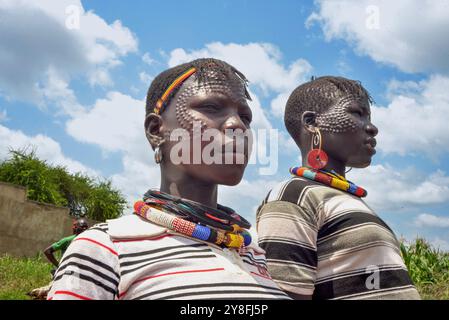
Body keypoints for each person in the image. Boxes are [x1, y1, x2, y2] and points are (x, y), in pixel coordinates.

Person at [47, 58, 290, 300]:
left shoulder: (255, 252)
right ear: (156, 130)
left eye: (245, 117)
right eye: (212, 107)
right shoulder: (105, 248)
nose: (237, 124)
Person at [256, 76, 420, 300]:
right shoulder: (294, 196)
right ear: (311, 122)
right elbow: (286, 295)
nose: (372, 128)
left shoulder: (346, 199)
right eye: (357, 113)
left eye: (369, 117)